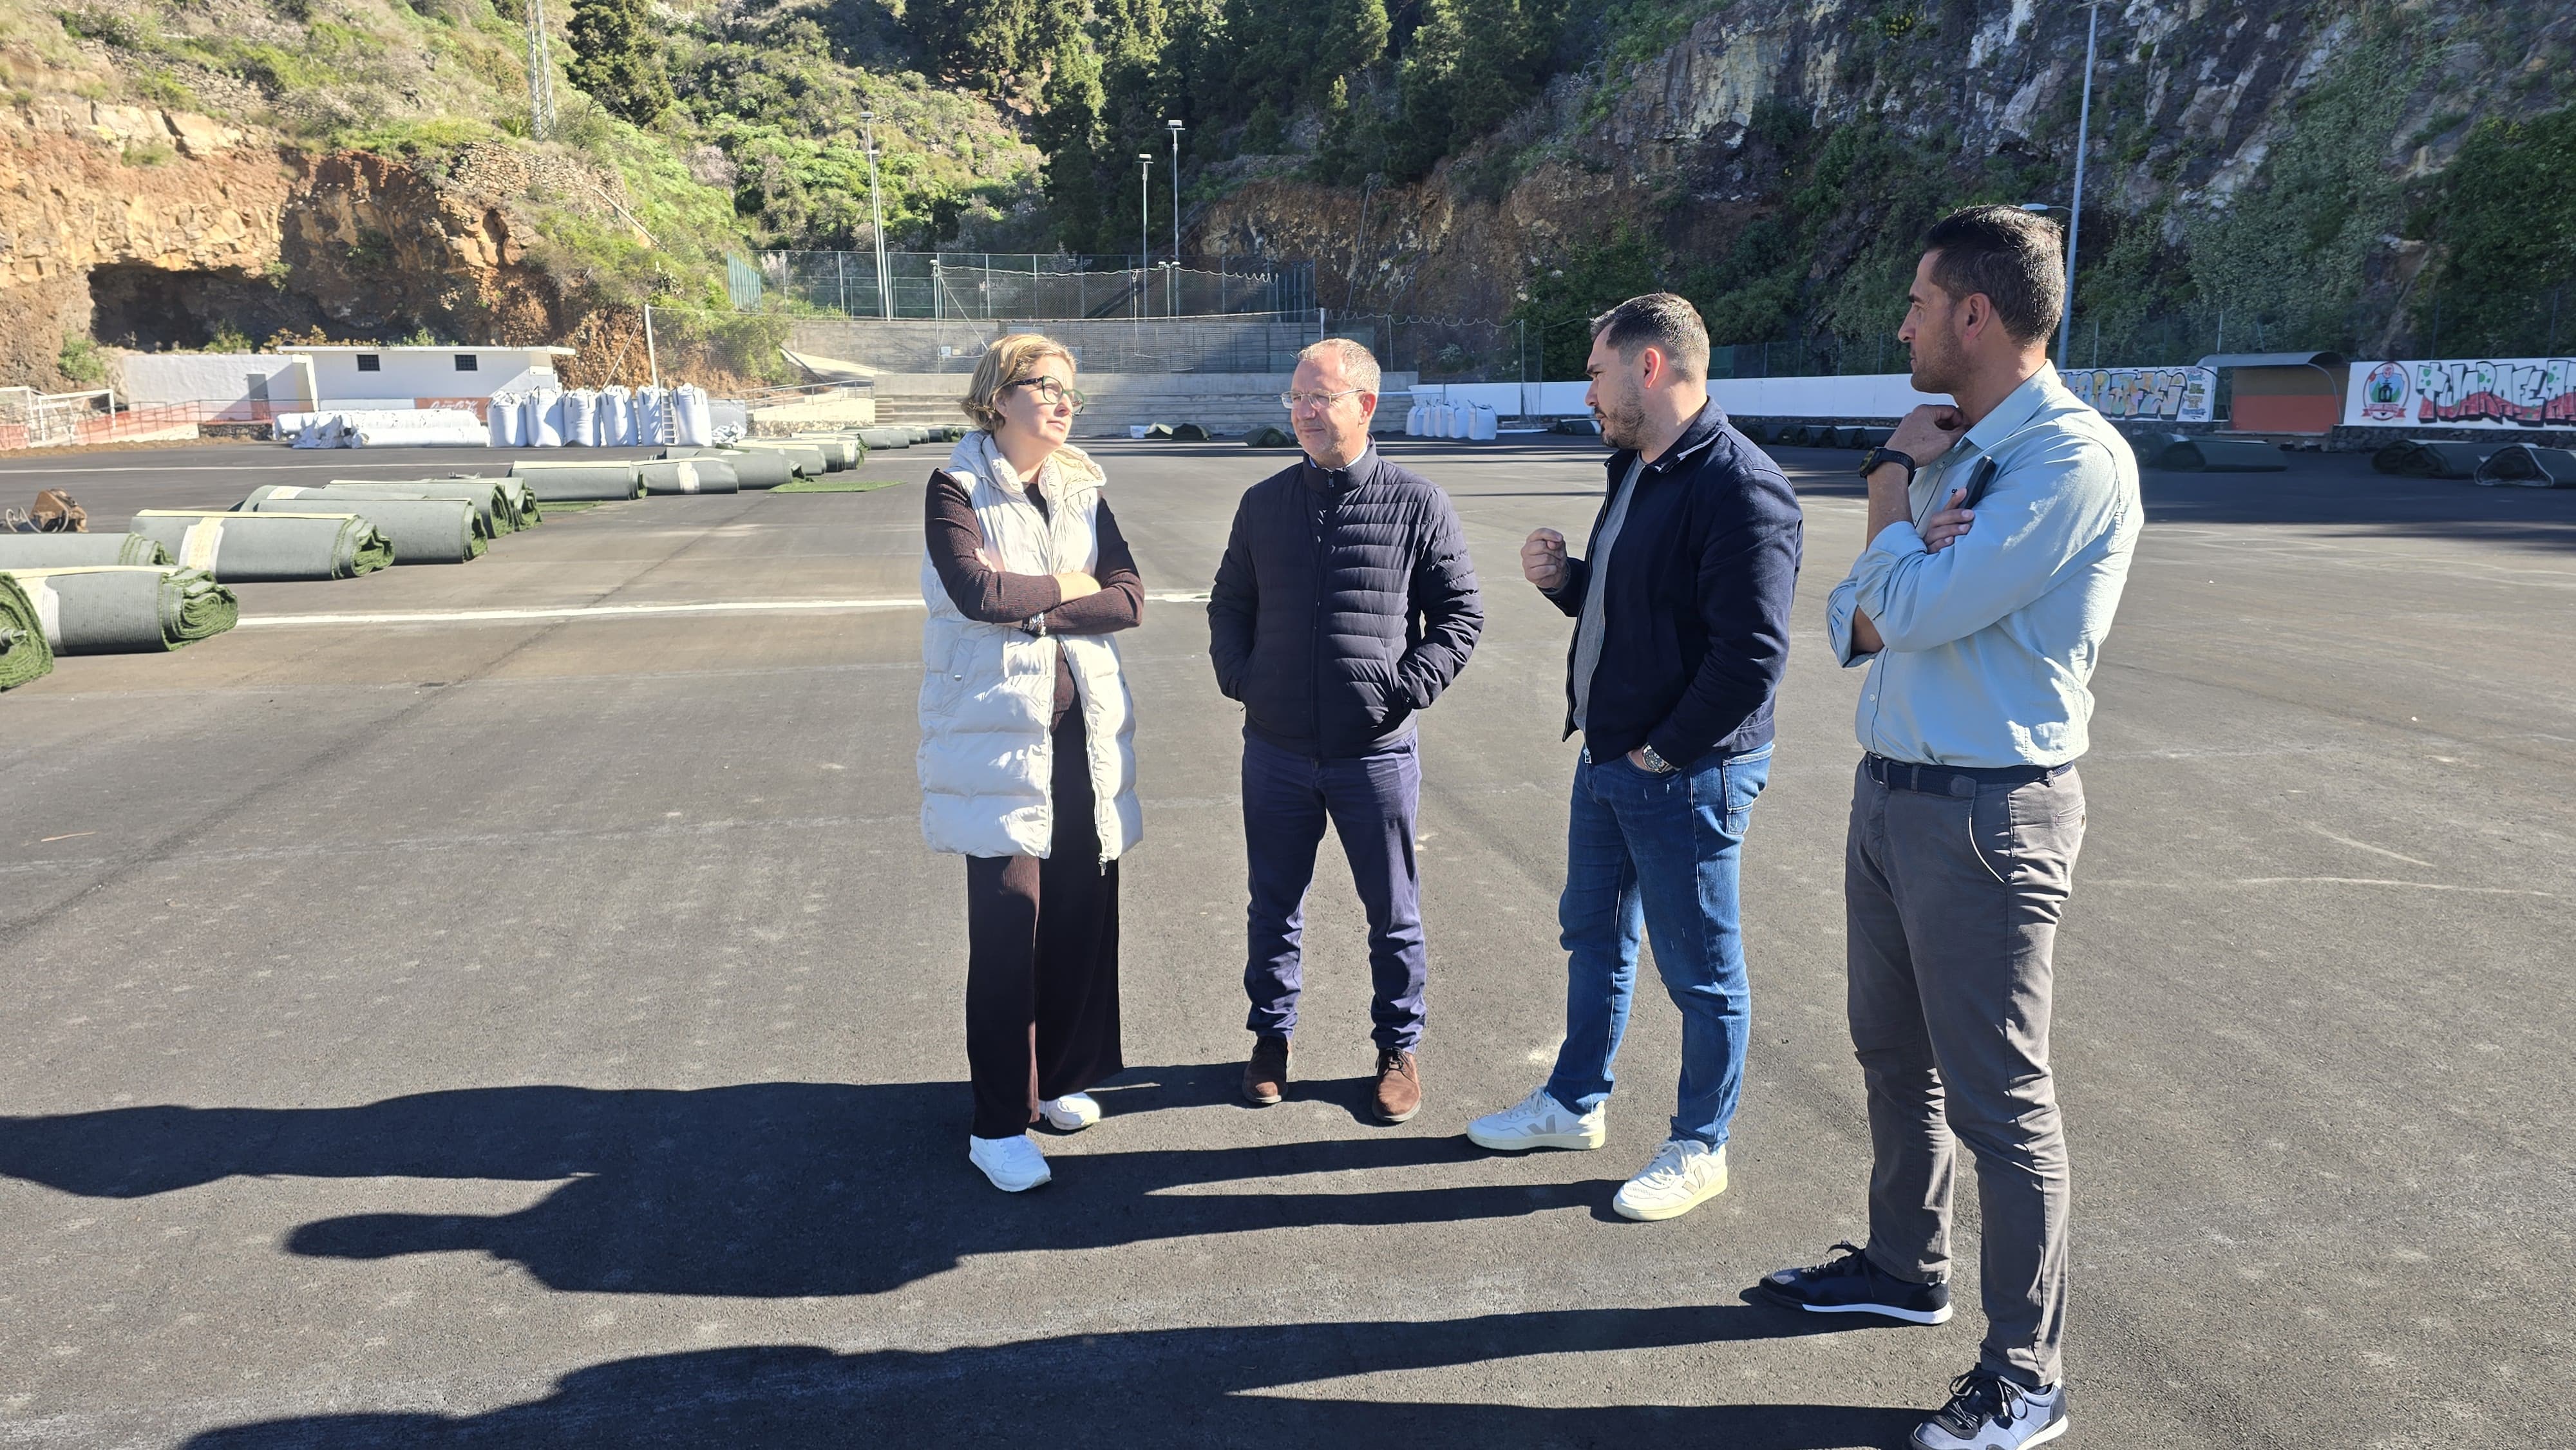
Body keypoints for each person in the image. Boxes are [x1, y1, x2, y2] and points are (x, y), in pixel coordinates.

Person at [1752, 206, 2140, 1450]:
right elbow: (1851, 624)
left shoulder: (2067, 462)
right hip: (1897, 790)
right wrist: (1905, 505)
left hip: (1988, 812)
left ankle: (2028, 1375)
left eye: (1918, 302)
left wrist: (1894, 515)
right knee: (1889, 1054)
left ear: (1975, 315)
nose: (1904, 321)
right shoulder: (1955, 454)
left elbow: (1901, 612)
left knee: (2001, 1098)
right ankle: (1901, 1263)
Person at [1463, 294, 1802, 1223]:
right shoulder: (1636, 467)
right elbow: (1639, 617)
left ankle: (1702, 1146)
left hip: (1683, 772)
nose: (1588, 388)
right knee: (1594, 934)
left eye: (1596, 369)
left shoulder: (1742, 486)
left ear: (1650, 368)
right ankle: (1574, 1105)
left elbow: (1752, 660)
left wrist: (1664, 753)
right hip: (1613, 759)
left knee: (1701, 970)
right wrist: (1566, 581)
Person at [1207, 337, 1483, 1124]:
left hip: (1376, 754)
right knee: (1273, 905)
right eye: (1294, 397)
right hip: (1277, 752)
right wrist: (1245, 679)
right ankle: (1270, 1036)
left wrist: (1405, 688)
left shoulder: (1417, 502)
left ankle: (1398, 1047)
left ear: (1365, 405)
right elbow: (1229, 604)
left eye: (1317, 398)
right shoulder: (1263, 502)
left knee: (1392, 912)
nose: (1301, 412)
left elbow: (1460, 614)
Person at [919, 333, 1144, 1194]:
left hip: (1083, 739)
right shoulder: (956, 485)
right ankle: (995, 1122)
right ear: (998, 396)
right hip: (994, 739)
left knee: (1078, 914)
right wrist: (1067, 589)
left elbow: (1129, 599)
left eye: (1069, 392)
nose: (1062, 403)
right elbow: (977, 593)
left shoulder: (1081, 486)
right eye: (1045, 387)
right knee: (1012, 922)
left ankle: (1052, 1084)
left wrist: (1040, 598)